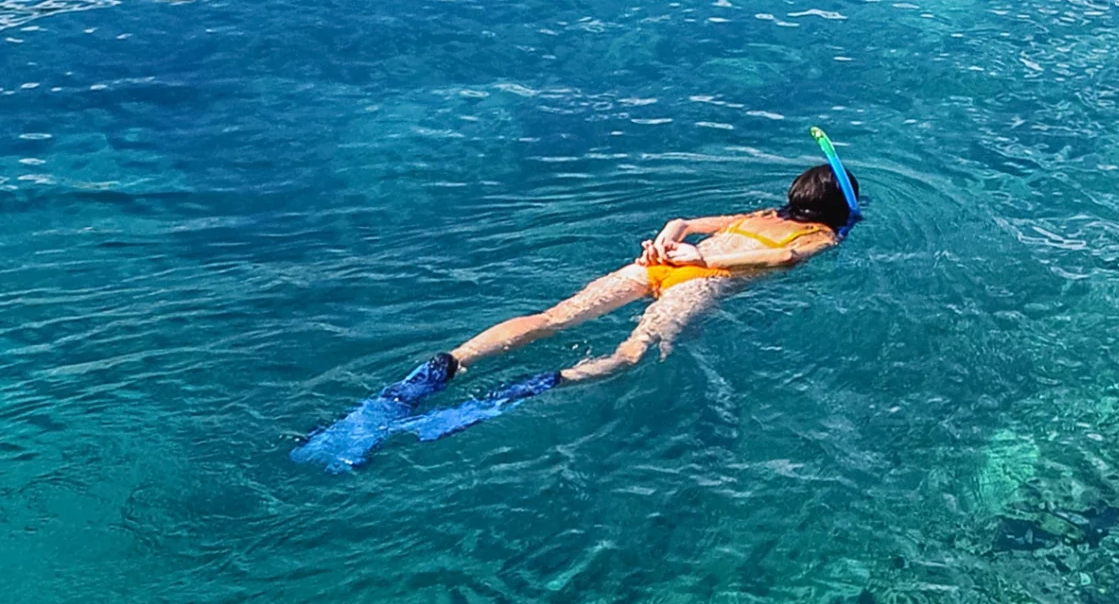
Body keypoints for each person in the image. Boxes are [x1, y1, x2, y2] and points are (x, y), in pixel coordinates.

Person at [293, 153, 859, 469]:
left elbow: (685, 220)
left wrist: (668, 241)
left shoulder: (762, 211)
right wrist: (699, 261)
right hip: (700, 278)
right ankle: (515, 394)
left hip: (656, 263)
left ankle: (442, 369)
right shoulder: (821, 238)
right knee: (630, 354)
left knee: (550, 318)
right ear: (834, 211)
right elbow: (783, 259)